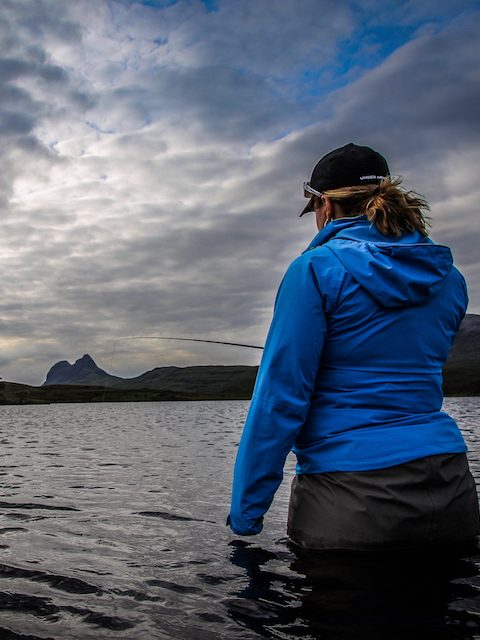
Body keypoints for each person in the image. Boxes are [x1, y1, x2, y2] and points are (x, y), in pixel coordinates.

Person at [227, 142, 480, 550]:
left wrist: (246, 512)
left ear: (325, 205)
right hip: (451, 483)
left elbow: (280, 398)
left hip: (350, 495)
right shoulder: (450, 278)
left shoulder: (314, 269)